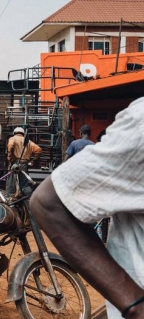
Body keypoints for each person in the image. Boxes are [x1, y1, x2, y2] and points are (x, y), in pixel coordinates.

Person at [30, 97, 144, 319]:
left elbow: (68, 162)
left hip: (85, 186)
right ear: (88, 132)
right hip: (91, 187)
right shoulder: (95, 143)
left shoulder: (75, 145)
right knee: (105, 219)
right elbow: (50, 200)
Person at [6, 127, 42, 197]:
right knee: (24, 183)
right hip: (24, 164)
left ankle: (10, 199)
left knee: (11, 182)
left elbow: (10, 146)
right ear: (23, 133)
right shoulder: (29, 142)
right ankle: (28, 199)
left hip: (15, 163)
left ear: (14, 133)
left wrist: (10, 156)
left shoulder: (13, 138)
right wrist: (33, 160)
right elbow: (39, 150)